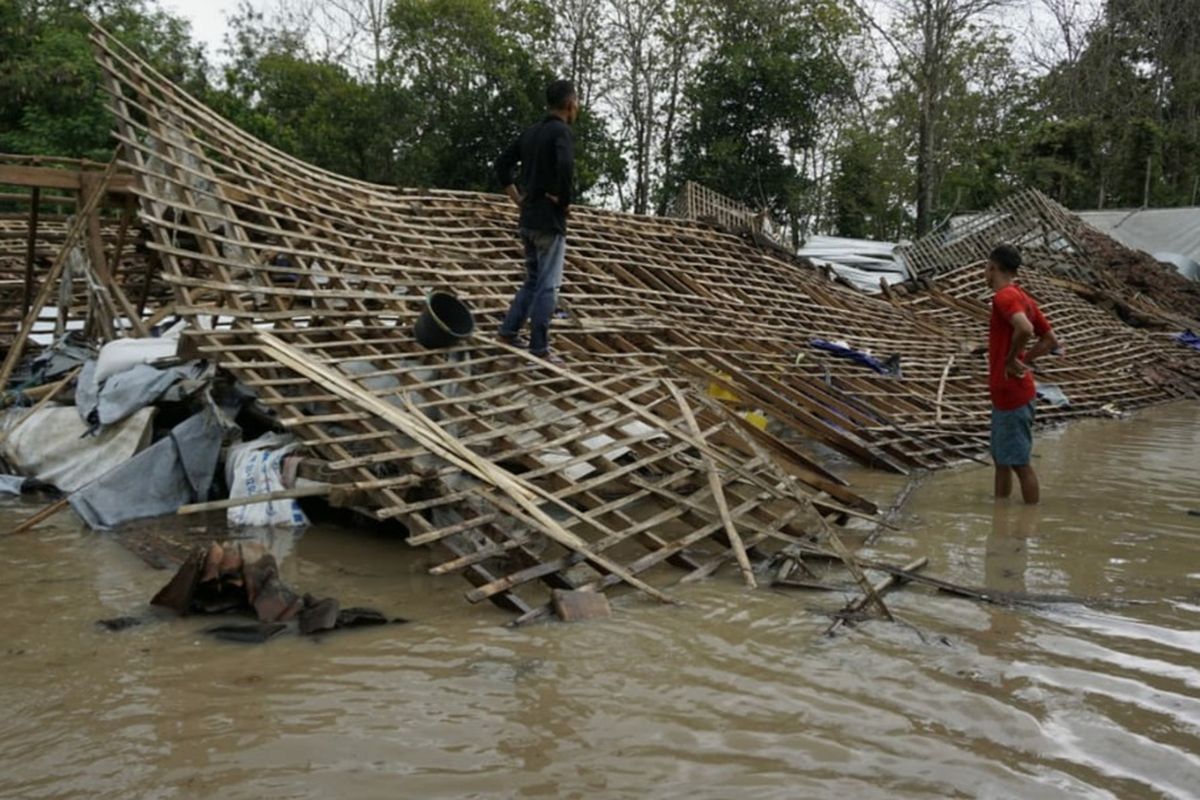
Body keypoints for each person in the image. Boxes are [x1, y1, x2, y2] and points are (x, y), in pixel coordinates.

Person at [494, 79, 579, 363]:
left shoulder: (530, 133)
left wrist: (517, 198)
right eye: (576, 102)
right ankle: (539, 347)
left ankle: (508, 331)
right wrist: (564, 201)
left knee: (532, 280)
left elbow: (501, 164)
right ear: (569, 104)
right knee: (548, 285)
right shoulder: (561, 132)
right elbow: (566, 165)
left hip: (527, 218)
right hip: (547, 220)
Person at [985, 243, 1058, 504]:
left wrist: (1011, 359)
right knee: (1002, 460)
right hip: (1009, 394)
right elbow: (1049, 339)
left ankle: (1028, 523)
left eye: (987, 268)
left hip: (1013, 395)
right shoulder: (1024, 298)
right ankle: (1000, 510)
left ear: (992, 267)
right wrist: (1023, 359)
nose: (986, 273)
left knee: (1019, 463)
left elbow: (1025, 329)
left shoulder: (1004, 297)